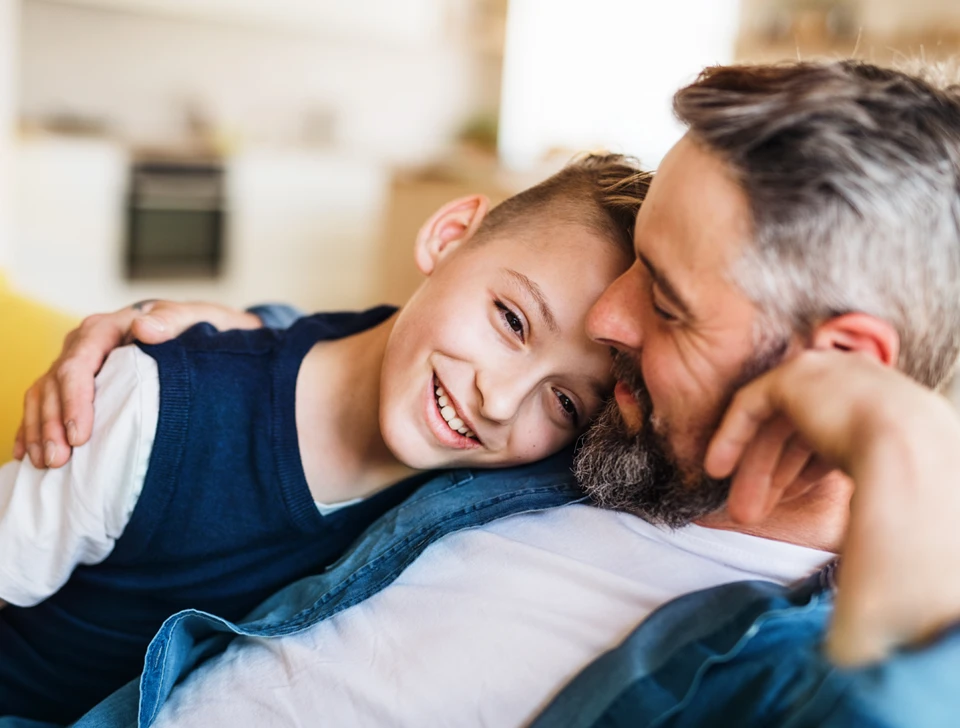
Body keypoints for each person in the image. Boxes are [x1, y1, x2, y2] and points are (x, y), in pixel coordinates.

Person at [11, 59, 960, 727]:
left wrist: (918, 472)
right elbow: (439, 345)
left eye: (667, 303)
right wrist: (221, 346)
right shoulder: (622, 448)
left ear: (847, 366)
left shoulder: (783, 655)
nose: (609, 323)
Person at [0, 154, 649, 724]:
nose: (500, 399)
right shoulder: (151, 401)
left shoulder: (485, 497)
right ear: (449, 236)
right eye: (511, 320)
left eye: (564, 400)